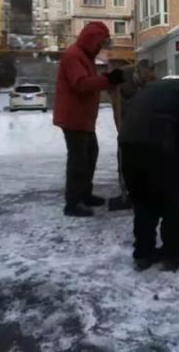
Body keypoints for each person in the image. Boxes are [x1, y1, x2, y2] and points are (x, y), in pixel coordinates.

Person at [119, 70, 179, 271]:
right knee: (171, 202)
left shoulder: (169, 86)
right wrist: (178, 175)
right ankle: (174, 252)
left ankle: (144, 253)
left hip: (128, 145)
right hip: (156, 148)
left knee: (143, 200)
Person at [53, 22, 124, 217]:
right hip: (73, 117)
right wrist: (107, 80)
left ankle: (84, 194)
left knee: (90, 155)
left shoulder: (85, 57)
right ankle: (73, 203)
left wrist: (106, 80)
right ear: (92, 41)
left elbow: (90, 83)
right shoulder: (74, 56)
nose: (101, 48)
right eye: (100, 43)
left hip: (83, 118)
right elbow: (81, 84)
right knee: (78, 160)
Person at [108, 59, 157, 211]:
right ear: (139, 71)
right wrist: (121, 130)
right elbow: (115, 101)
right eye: (145, 76)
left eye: (150, 76)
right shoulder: (123, 76)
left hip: (141, 125)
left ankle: (142, 192)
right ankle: (125, 193)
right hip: (124, 117)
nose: (148, 78)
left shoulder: (152, 81)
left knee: (143, 160)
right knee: (124, 159)